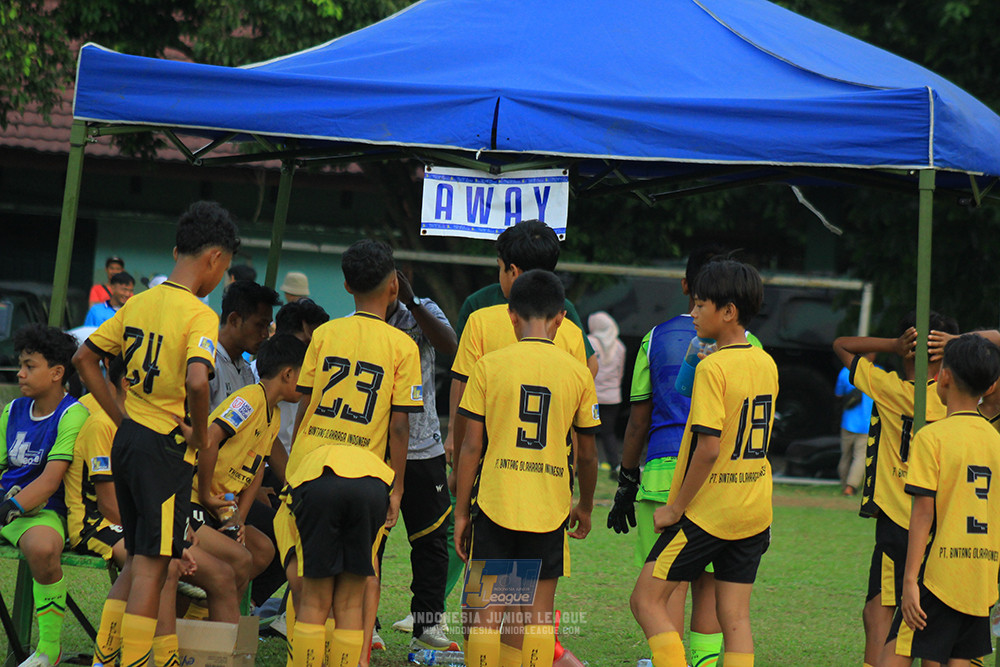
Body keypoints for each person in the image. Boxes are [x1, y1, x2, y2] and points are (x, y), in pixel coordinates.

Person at [73, 200, 240, 667]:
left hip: (127, 441)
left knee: (141, 556)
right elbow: (196, 381)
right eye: (223, 266)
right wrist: (200, 434)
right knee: (153, 564)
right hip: (163, 448)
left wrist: (122, 415)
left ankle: (109, 656)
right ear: (214, 259)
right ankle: (132, 660)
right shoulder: (200, 314)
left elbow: (85, 359)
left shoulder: (137, 303)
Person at [445, 220, 597, 640]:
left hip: (494, 489)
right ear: (560, 316)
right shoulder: (573, 343)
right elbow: (587, 447)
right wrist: (584, 502)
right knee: (533, 619)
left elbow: (469, 432)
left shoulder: (482, 325)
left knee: (483, 616)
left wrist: (460, 494)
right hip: (549, 494)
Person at [277, 239, 422, 667]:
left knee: (313, 597)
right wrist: (395, 490)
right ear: (393, 286)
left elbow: (305, 403)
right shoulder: (403, 346)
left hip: (315, 474)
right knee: (351, 602)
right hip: (368, 481)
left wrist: (298, 460)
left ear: (344, 284)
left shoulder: (324, 334)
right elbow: (399, 425)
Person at [630, 259, 776, 667]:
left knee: (645, 599)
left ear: (727, 312)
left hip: (710, 512)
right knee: (735, 618)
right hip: (754, 509)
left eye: (700, 306)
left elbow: (708, 449)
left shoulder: (714, 367)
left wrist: (674, 508)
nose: (692, 314)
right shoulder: (766, 361)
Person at [609, 246, 734, 667]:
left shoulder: (655, 336)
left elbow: (638, 421)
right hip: (721, 478)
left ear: (686, 285)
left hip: (665, 473)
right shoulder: (748, 345)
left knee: (667, 586)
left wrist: (627, 477)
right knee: (711, 589)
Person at [832, 310, 959, 667]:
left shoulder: (890, 390)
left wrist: (893, 345)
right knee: (929, 618)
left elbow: (841, 346)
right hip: (941, 526)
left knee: (881, 615)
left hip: (896, 522)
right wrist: (959, 346)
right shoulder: (959, 403)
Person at [879, 334, 1000, 666]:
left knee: (895, 655)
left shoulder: (932, 437)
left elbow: (922, 514)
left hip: (938, 576)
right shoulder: (995, 439)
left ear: (943, 376)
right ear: (989, 387)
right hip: (982, 576)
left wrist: (908, 581)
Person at [192, 334, 306, 609]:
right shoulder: (249, 400)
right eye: (307, 374)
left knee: (264, 549)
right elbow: (209, 439)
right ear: (289, 374)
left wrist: (240, 517)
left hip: (222, 505)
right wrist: (206, 495)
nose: (308, 384)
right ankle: (200, 616)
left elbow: (256, 470)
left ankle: (207, 611)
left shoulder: (274, 414)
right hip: (194, 497)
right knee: (239, 558)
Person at [0, 324, 88, 667]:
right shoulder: (11, 410)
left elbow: (51, 481)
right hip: (6, 505)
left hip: (42, 512)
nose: (20, 373)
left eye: (29, 366)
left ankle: (49, 648)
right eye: (20, 365)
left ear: (57, 373)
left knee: (43, 547)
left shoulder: (73, 414)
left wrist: (10, 507)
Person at [383, 267, 458, 651]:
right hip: (374, 447)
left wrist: (412, 302)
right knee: (369, 540)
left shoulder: (421, 310)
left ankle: (427, 627)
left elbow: (448, 345)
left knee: (430, 543)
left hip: (423, 447)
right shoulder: (354, 323)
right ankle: (368, 625)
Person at [208, 280, 280, 410]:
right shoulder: (207, 362)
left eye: (267, 327)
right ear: (234, 320)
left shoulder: (246, 371)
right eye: (259, 325)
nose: (265, 334)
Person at [586, 311, 625, 475]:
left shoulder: (589, 342)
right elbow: (620, 372)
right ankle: (614, 464)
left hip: (591, 395)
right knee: (608, 432)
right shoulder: (620, 346)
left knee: (586, 431)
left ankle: (583, 462)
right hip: (612, 397)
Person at [835, 357, 875, 496]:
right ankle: (851, 487)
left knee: (845, 455)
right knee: (860, 456)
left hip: (848, 422)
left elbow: (838, 395)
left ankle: (844, 483)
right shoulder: (876, 372)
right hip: (867, 423)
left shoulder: (845, 372)